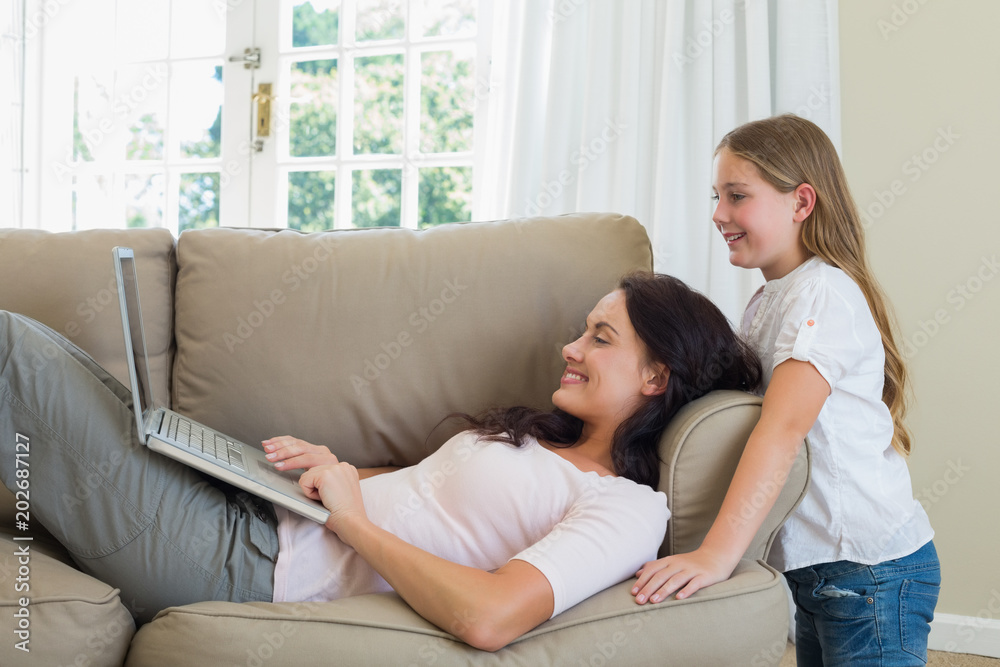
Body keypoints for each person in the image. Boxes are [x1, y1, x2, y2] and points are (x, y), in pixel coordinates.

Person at [0, 271, 760, 652]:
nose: (570, 347)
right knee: (73, 372)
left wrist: (351, 519)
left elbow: (492, 616)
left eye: (600, 337)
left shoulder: (626, 508)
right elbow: (425, 498)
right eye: (582, 330)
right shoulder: (548, 442)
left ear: (656, 376)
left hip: (243, 562)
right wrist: (337, 470)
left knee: (14, 352)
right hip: (261, 507)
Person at [632, 114, 939, 666]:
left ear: (801, 202)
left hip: (868, 569)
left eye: (737, 196)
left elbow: (779, 432)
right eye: (716, 196)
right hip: (821, 568)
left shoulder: (820, 296)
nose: (718, 214)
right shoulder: (769, 299)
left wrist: (715, 557)